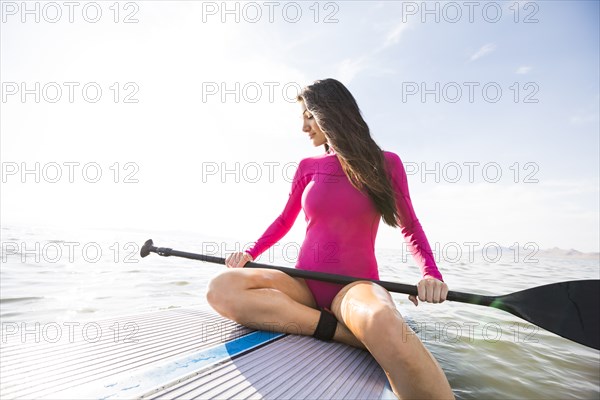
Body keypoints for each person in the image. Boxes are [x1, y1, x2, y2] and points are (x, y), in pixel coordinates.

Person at [207, 78, 454, 399]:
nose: (304, 127)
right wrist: (249, 253)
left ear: (330, 113)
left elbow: (409, 225)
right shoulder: (308, 167)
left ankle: (366, 329)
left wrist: (430, 273)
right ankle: (346, 334)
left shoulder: (385, 163)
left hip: (355, 288)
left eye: (309, 116)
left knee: (381, 319)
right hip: (303, 284)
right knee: (223, 286)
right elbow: (284, 220)